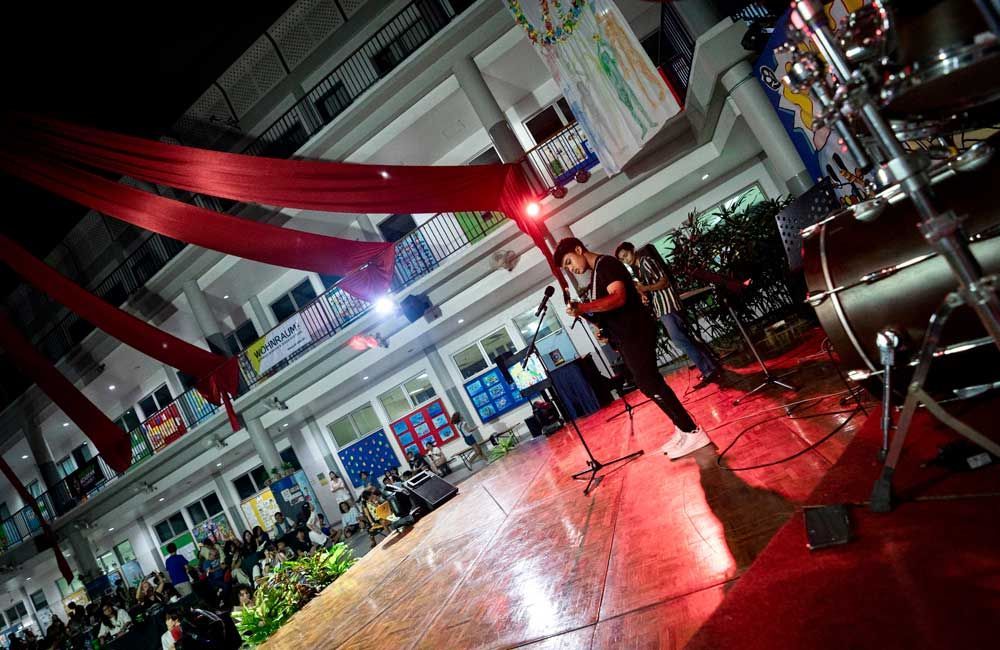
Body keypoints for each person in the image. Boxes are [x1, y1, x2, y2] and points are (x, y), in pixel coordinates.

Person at [556, 237, 711, 459]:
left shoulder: (607, 264)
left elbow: (619, 298)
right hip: (626, 337)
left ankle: (692, 431)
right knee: (648, 384)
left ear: (579, 250)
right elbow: (609, 310)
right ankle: (682, 427)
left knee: (649, 383)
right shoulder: (596, 276)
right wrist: (603, 328)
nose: (571, 269)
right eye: (566, 268)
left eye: (569, 262)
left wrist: (584, 307)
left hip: (636, 333)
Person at [615, 241, 719, 386]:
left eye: (625, 255)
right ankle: (711, 366)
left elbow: (664, 281)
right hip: (663, 307)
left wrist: (645, 288)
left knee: (680, 340)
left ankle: (708, 369)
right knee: (684, 338)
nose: (625, 259)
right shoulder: (639, 268)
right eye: (622, 258)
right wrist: (645, 293)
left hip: (667, 306)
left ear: (632, 250)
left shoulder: (646, 262)